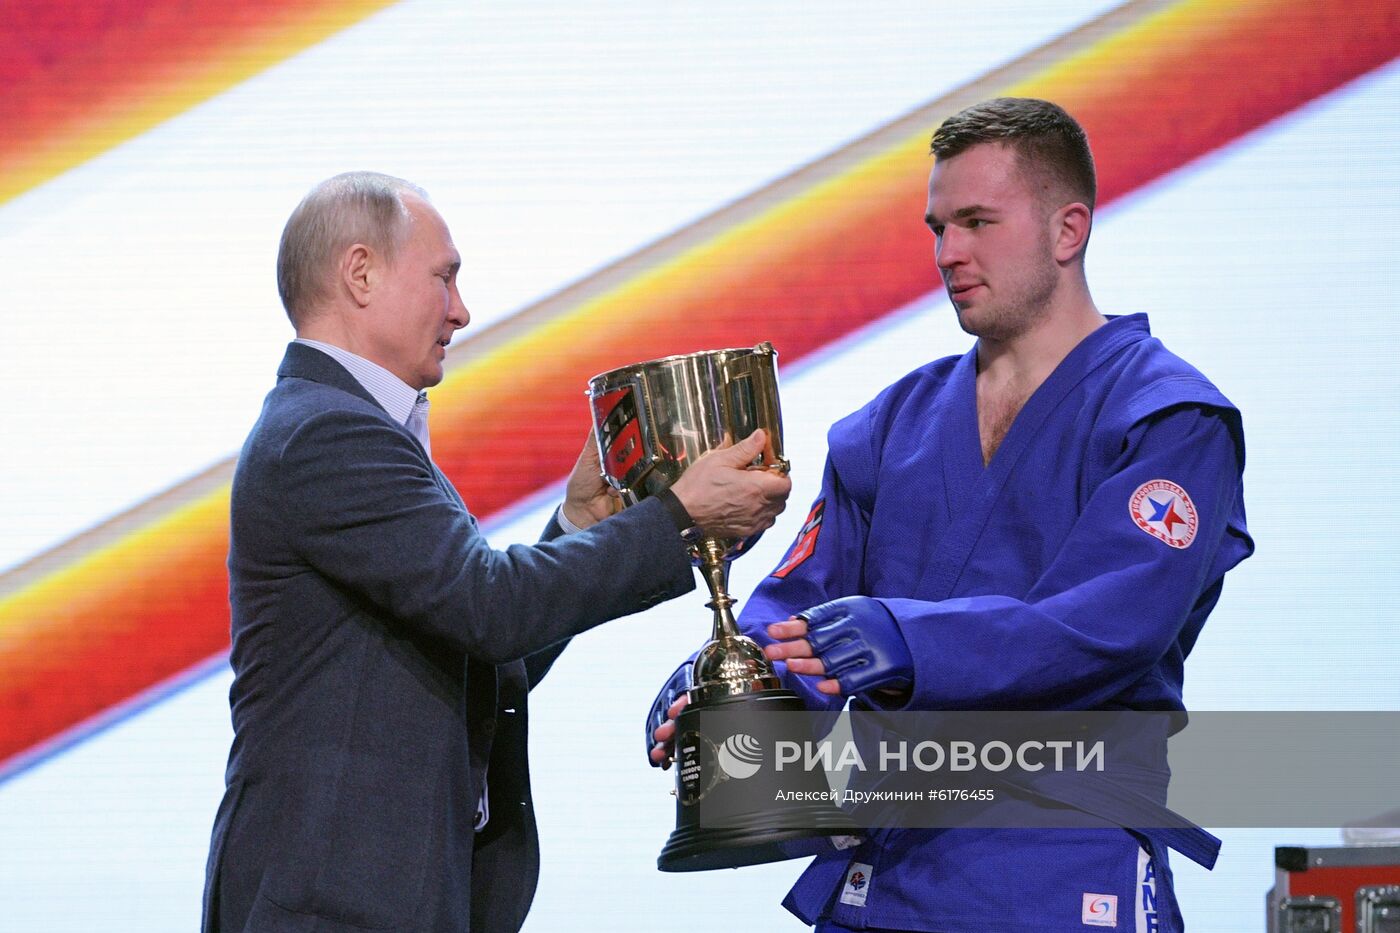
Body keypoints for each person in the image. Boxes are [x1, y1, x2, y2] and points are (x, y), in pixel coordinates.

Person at [647, 98, 1253, 932]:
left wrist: (907, 640)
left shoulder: (1168, 419)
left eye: (976, 221)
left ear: (1067, 230)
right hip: (887, 877)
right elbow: (801, 609)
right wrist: (736, 689)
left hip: (1060, 871)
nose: (947, 252)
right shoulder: (889, 425)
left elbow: (1109, 627)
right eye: (938, 226)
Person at [202, 171, 791, 933]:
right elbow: (490, 607)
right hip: (332, 905)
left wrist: (581, 522)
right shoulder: (325, 433)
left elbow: (475, 651)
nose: (461, 309)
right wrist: (678, 517)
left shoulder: (350, 428)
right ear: (360, 274)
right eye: (444, 277)